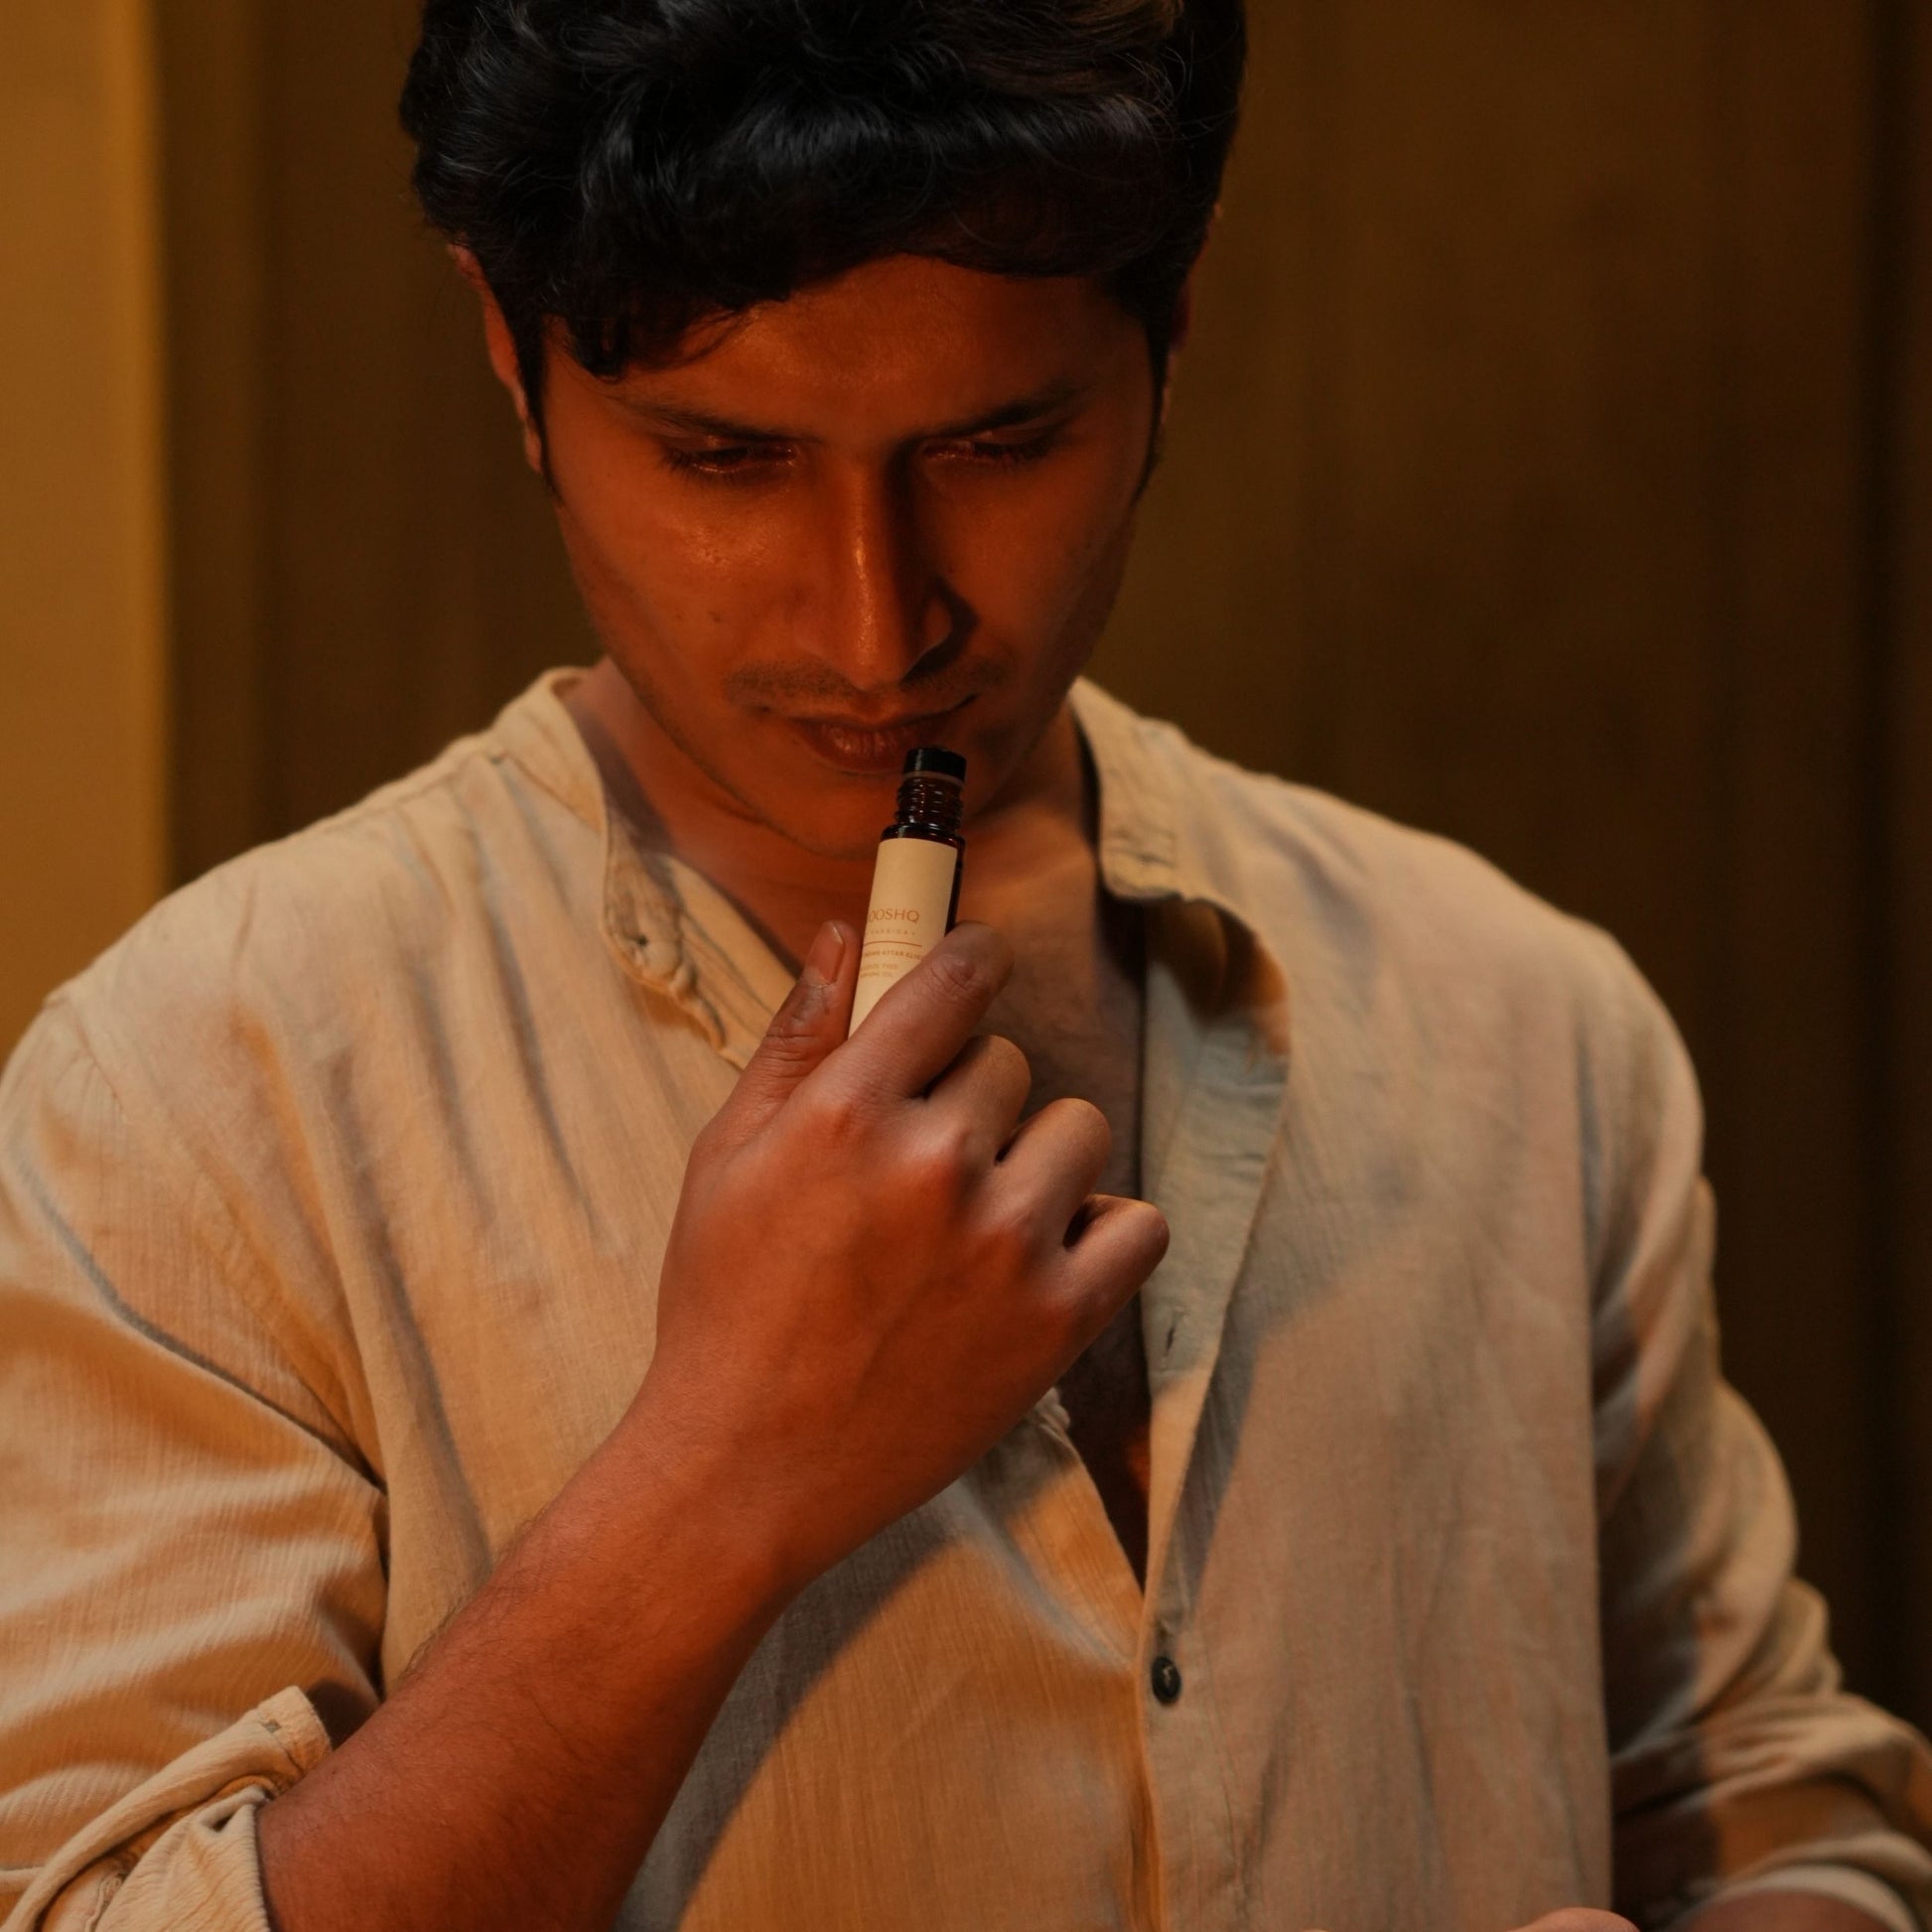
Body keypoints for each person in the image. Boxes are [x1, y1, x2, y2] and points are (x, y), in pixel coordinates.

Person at [2, 1, 1929, 1927]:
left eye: (1001, 439)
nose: (876, 617)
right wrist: (717, 1475)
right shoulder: (203, 1087)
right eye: (725, 455)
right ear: (512, 357)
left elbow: (1771, 1808)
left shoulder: (1520, 1022)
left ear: (1169, 336)